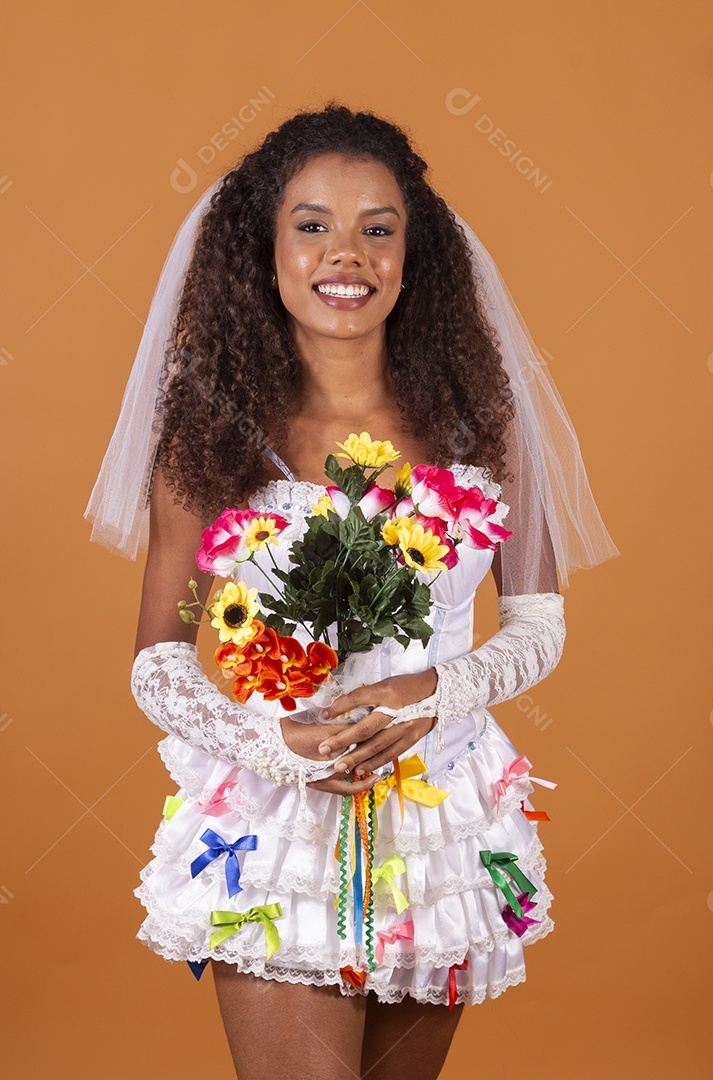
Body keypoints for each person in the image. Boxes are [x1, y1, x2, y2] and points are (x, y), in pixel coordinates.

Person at [85, 103, 619, 1080]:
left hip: (443, 816)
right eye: (313, 225)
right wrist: (269, 743)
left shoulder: (483, 428)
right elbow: (166, 655)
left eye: (379, 228)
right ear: (268, 248)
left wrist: (438, 692)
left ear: (416, 254)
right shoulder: (213, 440)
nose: (349, 253)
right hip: (275, 825)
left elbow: (538, 623)